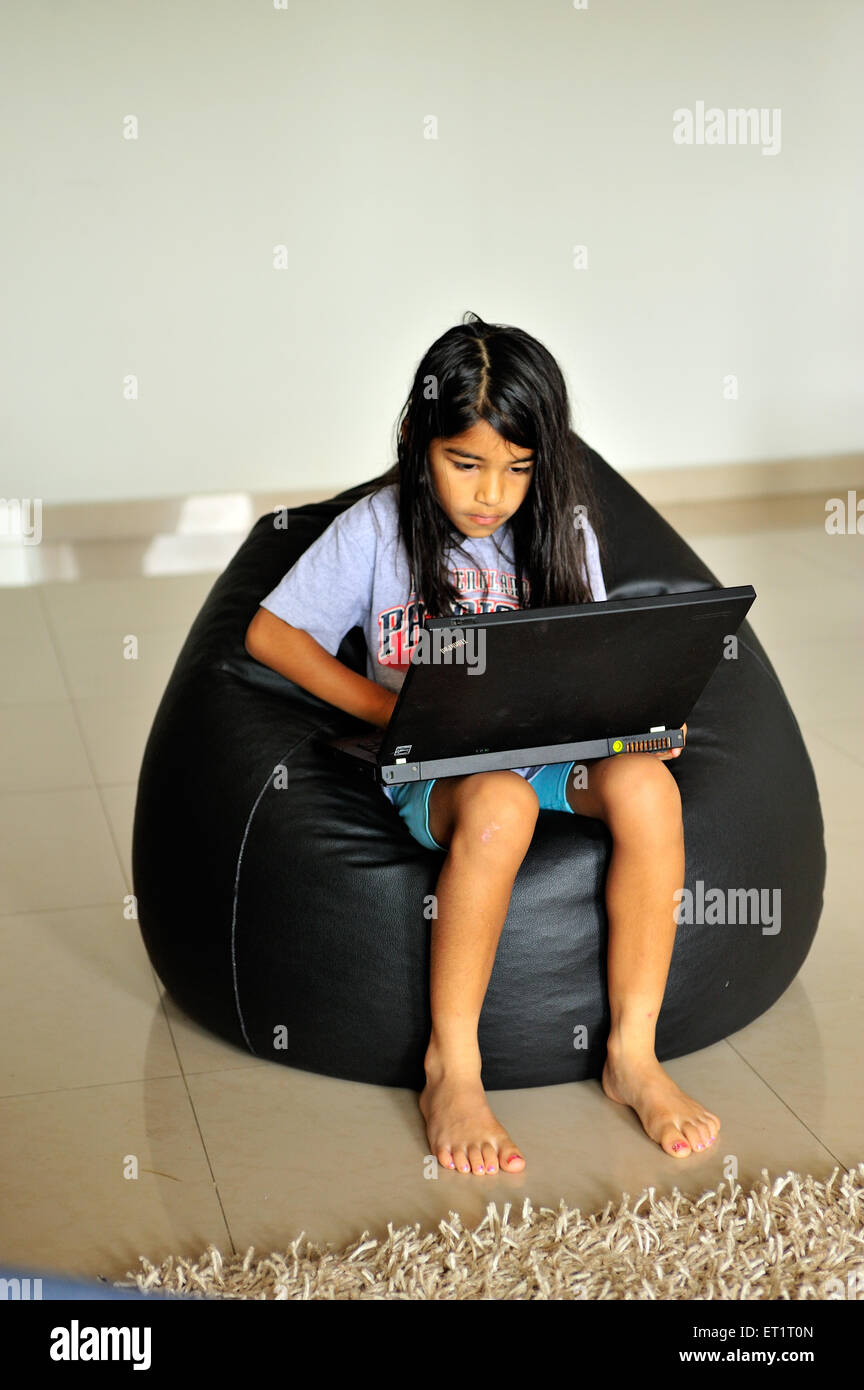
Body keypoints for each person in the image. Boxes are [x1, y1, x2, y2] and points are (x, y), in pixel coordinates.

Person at [244, 312, 719, 1177]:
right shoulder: (377, 529)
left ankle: (633, 1056)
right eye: (465, 463)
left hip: (549, 745)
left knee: (650, 787)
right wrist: (387, 711)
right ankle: (452, 1069)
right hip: (440, 763)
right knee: (498, 801)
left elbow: (593, 656)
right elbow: (271, 636)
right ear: (416, 441)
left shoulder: (559, 529)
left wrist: (639, 719)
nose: (490, 493)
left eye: (516, 469)